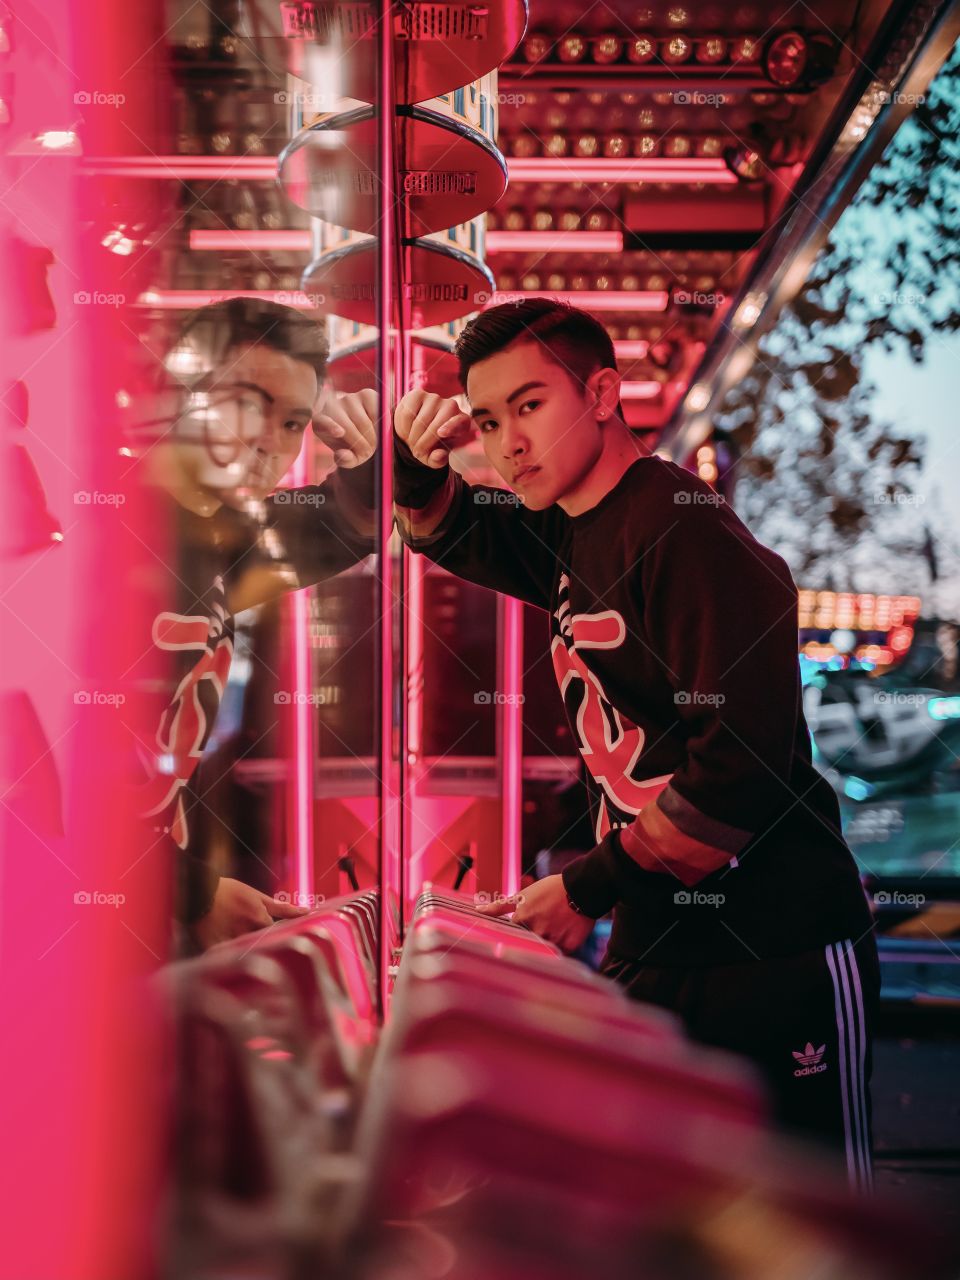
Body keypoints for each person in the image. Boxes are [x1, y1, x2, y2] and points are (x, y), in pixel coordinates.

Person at [392, 297, 879, 1193]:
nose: (506, 445)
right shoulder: (569, 525)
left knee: (816, 1219)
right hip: (658, 940)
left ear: (604, 392)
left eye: (530, 406)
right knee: (675, 1220)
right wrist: (411, 460)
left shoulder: (685, 529)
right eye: (489, 420)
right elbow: (460, 529)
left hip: (779, 945)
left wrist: (584, 886)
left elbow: (744, 767)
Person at [129, 297, 378, 950]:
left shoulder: (218, 537)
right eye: (248, 402)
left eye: (293, 421)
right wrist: (189, 894)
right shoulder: (98, 534)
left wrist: (369, 461)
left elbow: (339, 527)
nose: (271, 440)